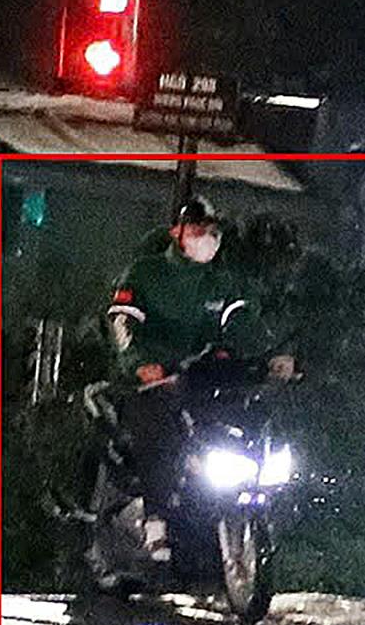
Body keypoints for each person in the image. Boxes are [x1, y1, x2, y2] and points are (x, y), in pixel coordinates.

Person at [93, 199, 290, 556]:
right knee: (158, 425)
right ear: (177, 232)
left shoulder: (221, 282)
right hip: (148, 382)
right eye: (199, 230)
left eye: (213, 231)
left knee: (250, 415)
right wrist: (141, 363)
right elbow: (122, 323)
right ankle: (155, 519)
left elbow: (244, 324)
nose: (207, 238)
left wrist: (270, 358)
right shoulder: (146, 273)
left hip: (198, 378)